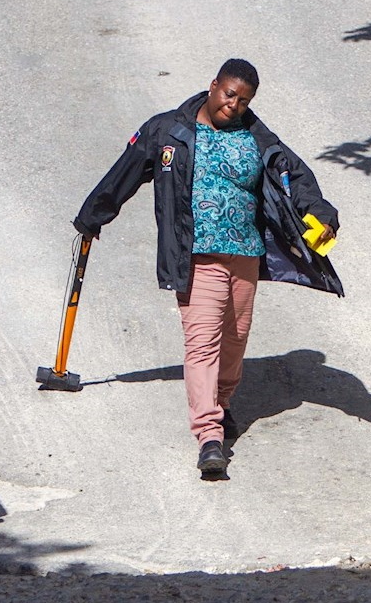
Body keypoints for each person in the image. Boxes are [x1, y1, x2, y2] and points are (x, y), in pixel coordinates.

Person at [73, 59, 343, 479]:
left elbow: (294, 174)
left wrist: (320, 210)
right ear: (213, 85)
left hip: (245, 255)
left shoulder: (256, 135)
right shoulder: (168, 132)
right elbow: (122, 174)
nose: (234, 105)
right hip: (196, 256)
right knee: (203, 344)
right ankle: (209, 436)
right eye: (229, 94)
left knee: (234, 342)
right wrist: (92, 217)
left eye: (244, 100)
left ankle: (223, 403)